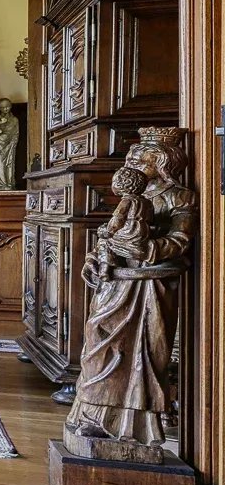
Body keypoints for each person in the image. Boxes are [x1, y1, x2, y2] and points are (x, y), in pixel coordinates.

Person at [64, 129, 195, 459]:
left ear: (162, 163)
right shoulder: (134, 196)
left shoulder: (179, 197)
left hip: (147, 287)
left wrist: (145, 250)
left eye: (141, 160)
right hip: (116, 282)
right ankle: (91, 413)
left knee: (140, 356)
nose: (132, 164)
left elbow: (180, 241)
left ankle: (129, 427)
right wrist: (93, 260)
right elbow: (109, 236)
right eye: (132, 159)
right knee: (98, 345)